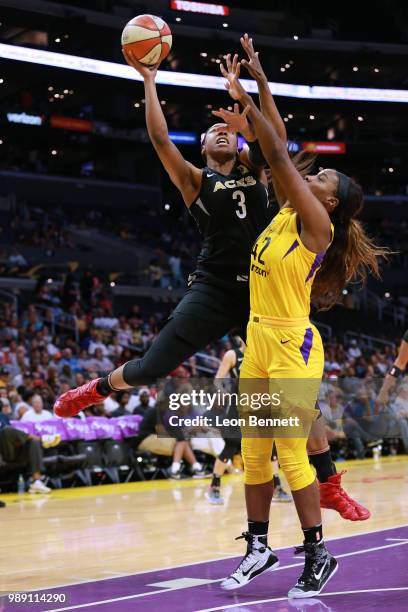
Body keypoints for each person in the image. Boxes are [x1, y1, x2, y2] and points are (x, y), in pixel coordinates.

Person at [54, 39, 369, 522]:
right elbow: (161, 141)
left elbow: (278, 144)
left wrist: (256, 96)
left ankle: (328, 481)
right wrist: (150, 81)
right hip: (215, 287)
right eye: (212, 132)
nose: (221, 133)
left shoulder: (257, 171)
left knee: (298, 399)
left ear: (242, 144)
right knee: (152, 366)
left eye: (228, 131)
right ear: (201, 147)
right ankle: (96, 388)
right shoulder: (196, 181)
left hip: (264, 294)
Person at [216, 41, 387, 598]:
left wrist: (252, 97)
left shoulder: (316, 222)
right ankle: (259, 546)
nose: (313, 181)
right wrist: (260, 84)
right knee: (252, 451)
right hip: (259, 338)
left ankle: (319, 552)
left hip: (293, 344)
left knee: (291, 452)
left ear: (330, 203)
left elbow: (281, 158)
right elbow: (279, 150)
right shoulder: (292, 209)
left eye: (324, 182)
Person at [206, 336, 291, 505]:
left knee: (271, 445)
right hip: (239, 405)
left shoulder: (262, 353)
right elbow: (217, 380)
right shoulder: (232, 355)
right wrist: (222, 392)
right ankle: (214, 487)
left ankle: (276, 487)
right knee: (231, 445)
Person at [0, 426, 60, 493]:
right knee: (6, 431)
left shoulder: (4, 418)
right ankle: (42, 440)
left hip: (14, 448)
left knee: (33, 442)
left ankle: (36, 482)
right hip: (3, 452)